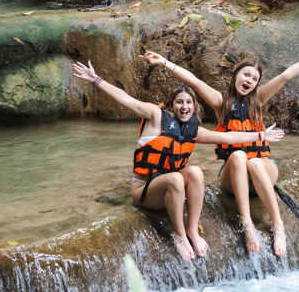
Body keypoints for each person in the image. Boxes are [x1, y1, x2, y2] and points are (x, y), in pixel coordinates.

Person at [72, 60, 286, 260]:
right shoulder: (155, 116)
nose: (185, 107)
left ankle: (192, 230)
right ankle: (179, 234)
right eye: (179, 102)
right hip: (145, 189)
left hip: (170, 185)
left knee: (195, 172)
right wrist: (97, 80)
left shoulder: (191, 130)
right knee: (175, 178)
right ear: (171, 105)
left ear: (194, 107)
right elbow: (127, 100)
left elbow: (227, 137)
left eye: (189, 103)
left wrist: (260, 135)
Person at [140, 45, 299, 257]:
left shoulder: (259, 99)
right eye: (246, 75)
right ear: (236, 75)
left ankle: (278, 225)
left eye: (254, 79)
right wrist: (164, 62)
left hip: (263, 169)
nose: (249, 81)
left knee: (253, 162)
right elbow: (195, 82)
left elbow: (286, 75)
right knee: (238, 155)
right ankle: (247, 225)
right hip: (233, 176)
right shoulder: (221, 103)